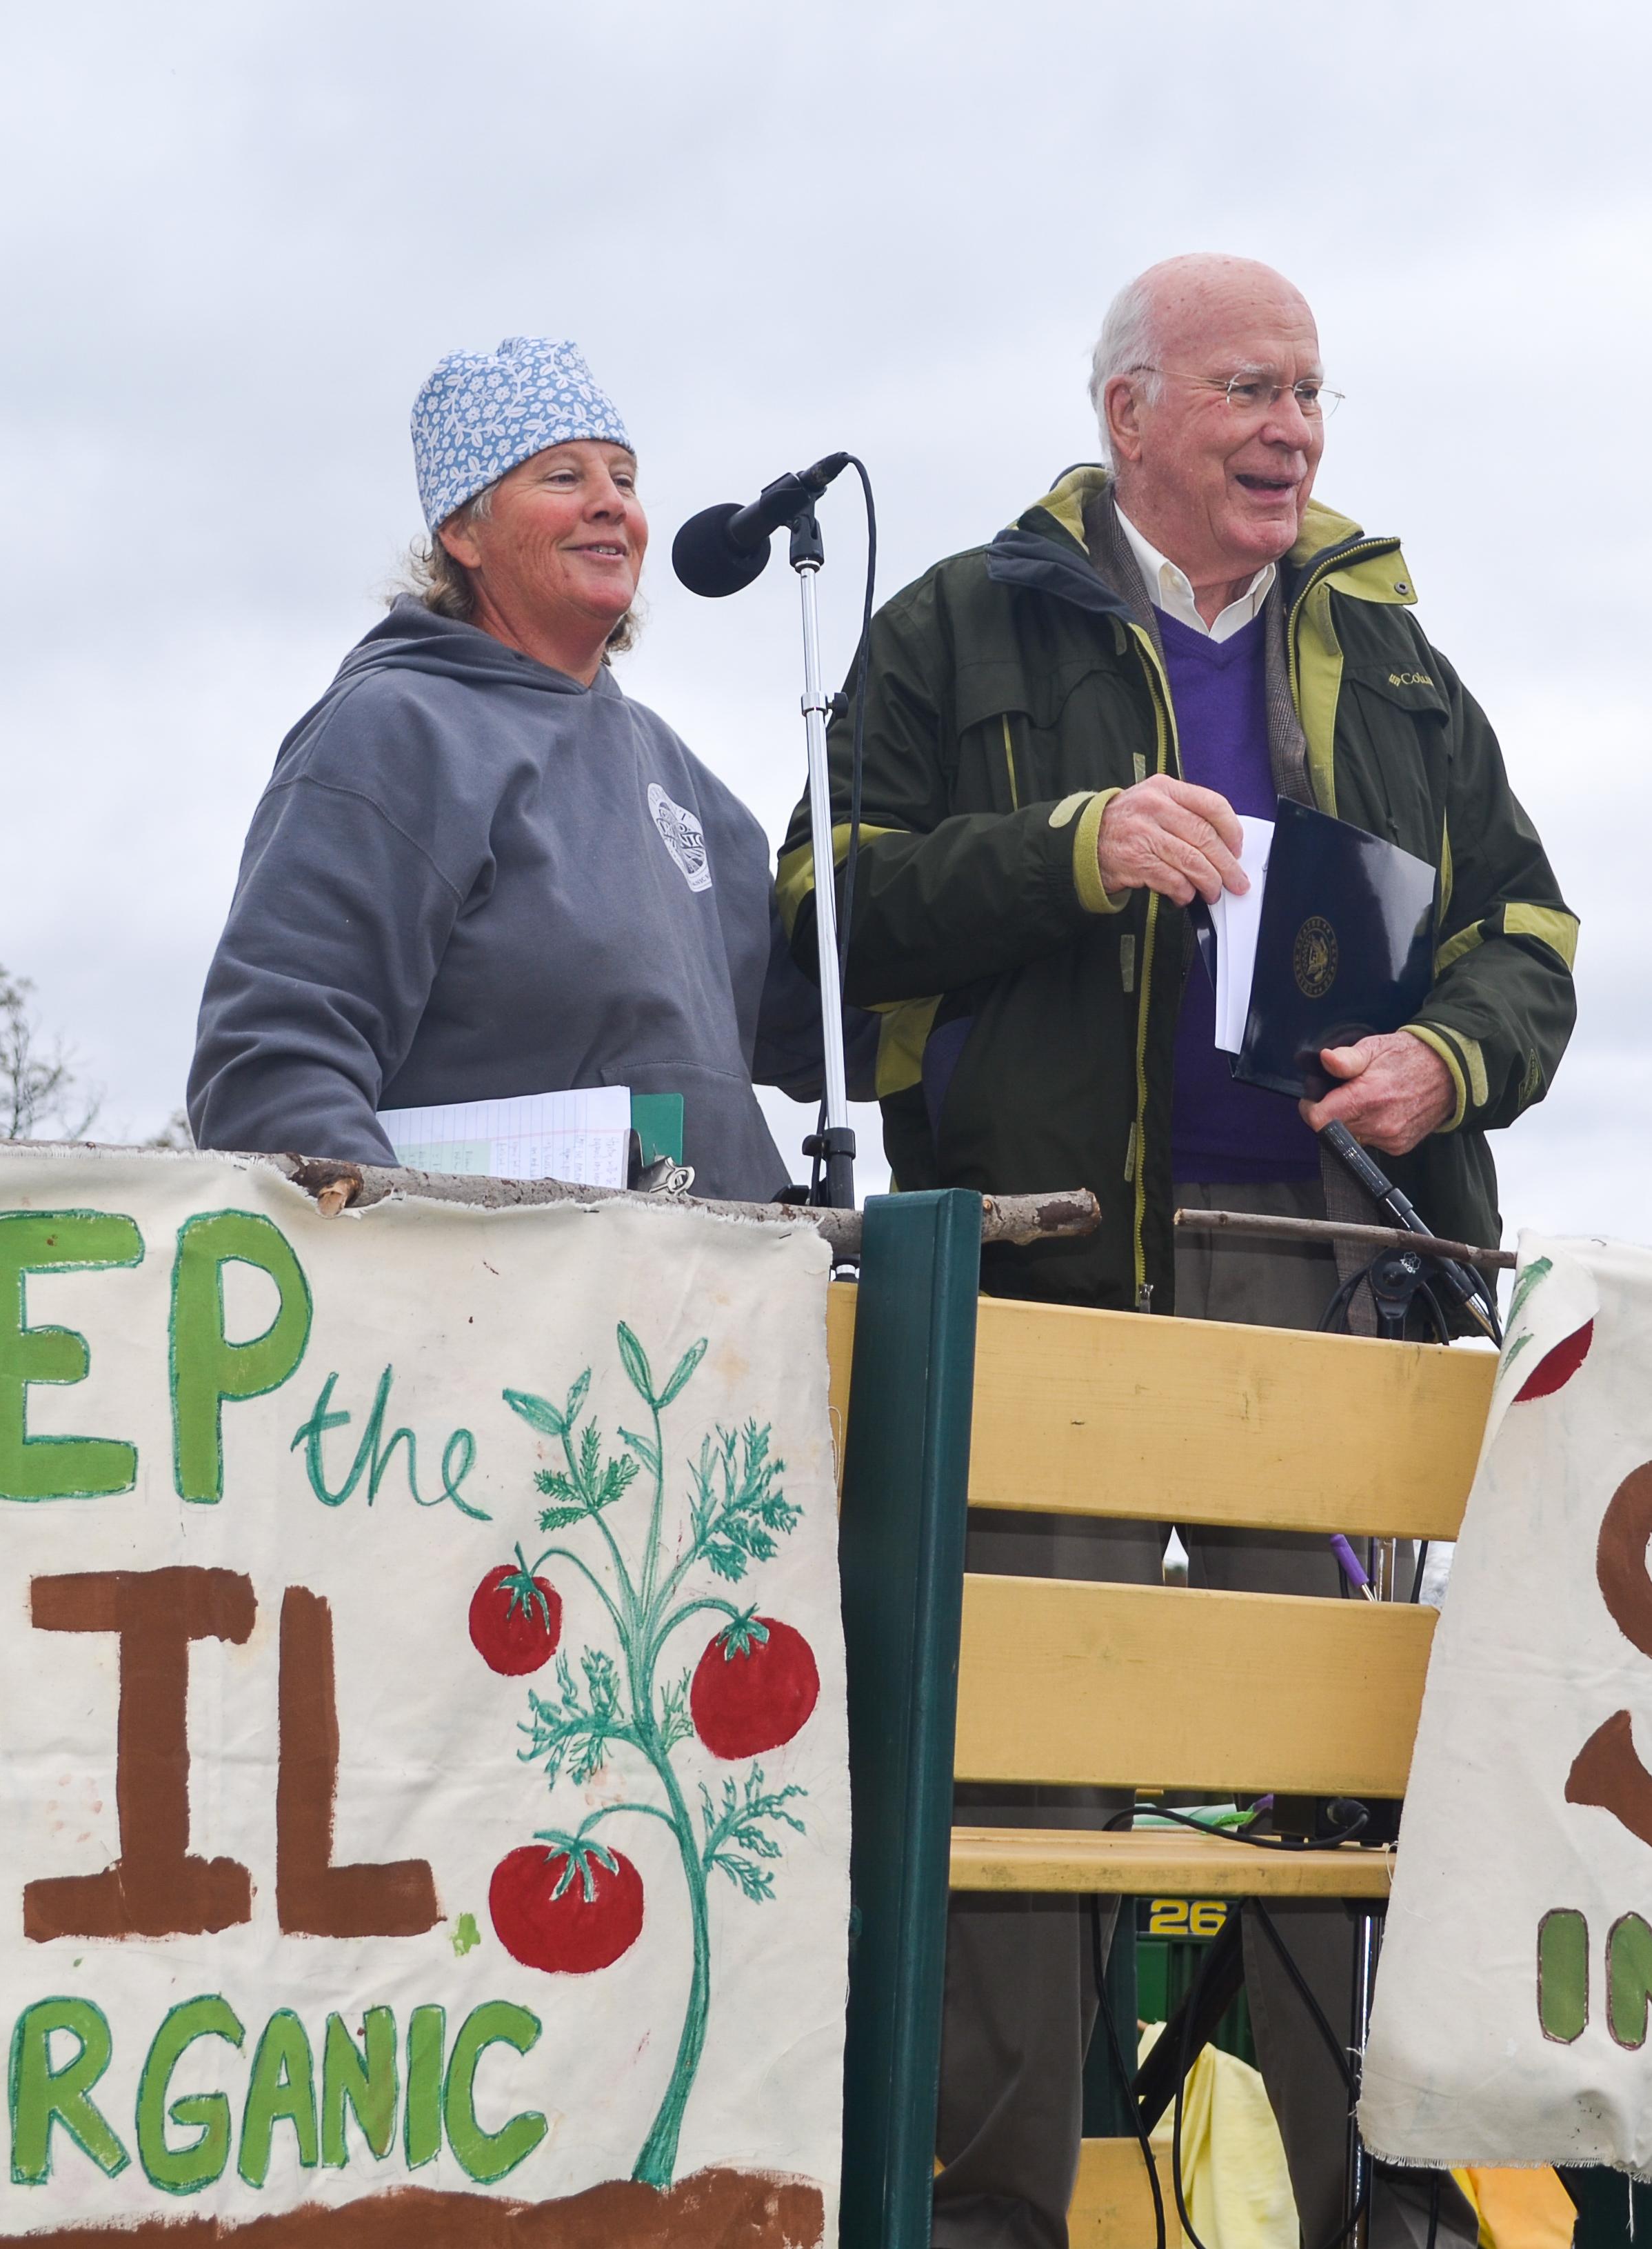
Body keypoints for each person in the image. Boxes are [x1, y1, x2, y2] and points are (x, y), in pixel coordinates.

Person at [781, 255, 1576, 2247]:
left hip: (1320, 1270)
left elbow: (1534, 939)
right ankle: (989, 2209)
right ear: (1127, 412)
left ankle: (1361, 2199)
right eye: (1244, 387)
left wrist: (1439, 1055)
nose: (1288, 429)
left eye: (1307, 393)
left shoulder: (1393, 660)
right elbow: (813, 914)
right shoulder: (955, 622)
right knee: (1022, 1757)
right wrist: (1069, 845)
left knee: (1327, 1765)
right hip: (1043, 1272)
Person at [190, 334, 816, 1201]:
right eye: (563, 478)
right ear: (463, 532)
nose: (611, 505)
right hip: (501, 1315)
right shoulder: (395, 731)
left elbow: (826, 1024)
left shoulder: (673, 770)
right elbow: (269, 1067)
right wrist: (427, 1265)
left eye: (625, 481)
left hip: (720, 1310)